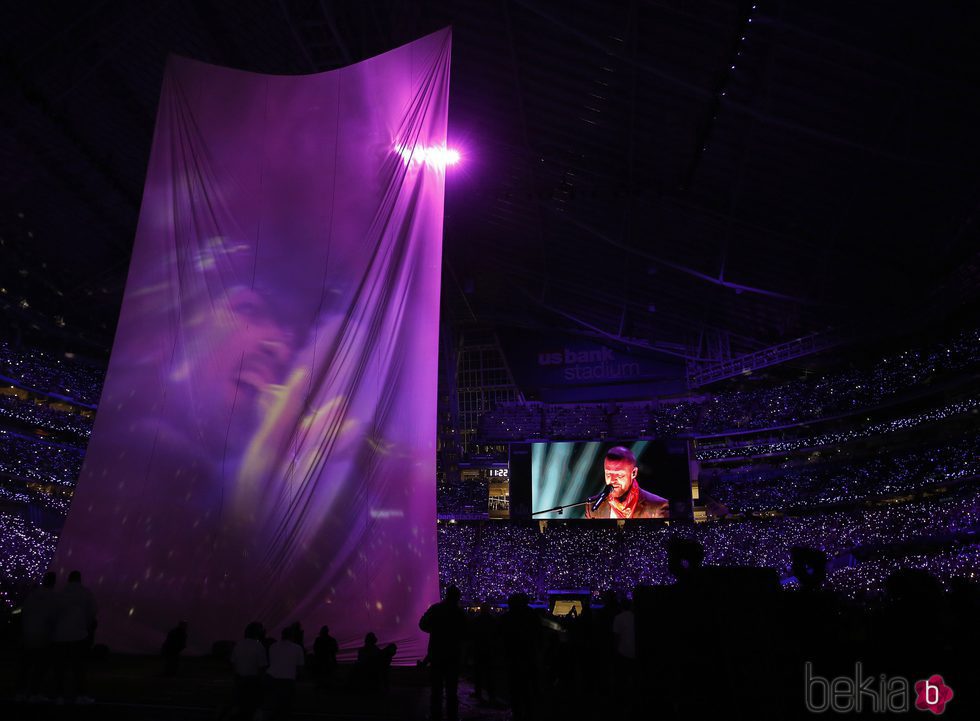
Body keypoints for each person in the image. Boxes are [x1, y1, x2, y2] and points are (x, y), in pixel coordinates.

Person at [419, 586, 466, 721]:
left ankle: (435, 715)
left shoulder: (436, 609)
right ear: (457, 596)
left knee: (436, 689)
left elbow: (422, 624)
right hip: (453, 656)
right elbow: (466, 633)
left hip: (437, 654)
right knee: (452, 690)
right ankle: (452, 716)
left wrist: (435, 629)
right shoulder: (459, 613)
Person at [585, 446, 669, 519]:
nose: (613, 480)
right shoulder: (592, 506)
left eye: (619, 475)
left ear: (634, 473)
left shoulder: (658, 507)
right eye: (608, 474)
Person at [52, 570, 97, 704]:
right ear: (79, 579)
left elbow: (53, 613)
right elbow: (92, 611)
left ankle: (59, 695)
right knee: (79, 667)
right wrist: (85, 625)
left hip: (59, 636)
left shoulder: (60, 593)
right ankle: (80, 695)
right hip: (78, 635)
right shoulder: (85, 593)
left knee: (60, 667)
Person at [17, 571, 59, 702]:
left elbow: (24, 612)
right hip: (44, 635)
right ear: (54, 582)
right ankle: (35, 692)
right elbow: (55, 617)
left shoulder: (33, 595)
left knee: (26, 665)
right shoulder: (54, 597)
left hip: (29, 633)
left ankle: (21, 692)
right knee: (40, 666)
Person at [228, 621, 268, 720]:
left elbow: (233, 663)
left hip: (239, 678)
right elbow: (262, 667)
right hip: (252, 681)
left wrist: (236, 677)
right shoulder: (259, 647)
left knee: (238, 705)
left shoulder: (239, 645)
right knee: (252, 707)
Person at [264, 625, 305, 720]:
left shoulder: (273, 646)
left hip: (273, 678)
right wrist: (300, 676)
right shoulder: (297, 648)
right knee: (286, 706)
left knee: (276, 704)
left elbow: (271, 662)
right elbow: (300, 667)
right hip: (288, 679)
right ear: (292, 636)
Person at [312, 625, 338, 690]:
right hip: (328, 661)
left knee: (322, 675)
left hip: (321, 661)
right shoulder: (332, 640)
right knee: (327, 676)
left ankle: (322, 687)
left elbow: (315, 649)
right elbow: (335, 649)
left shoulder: (318, 640)